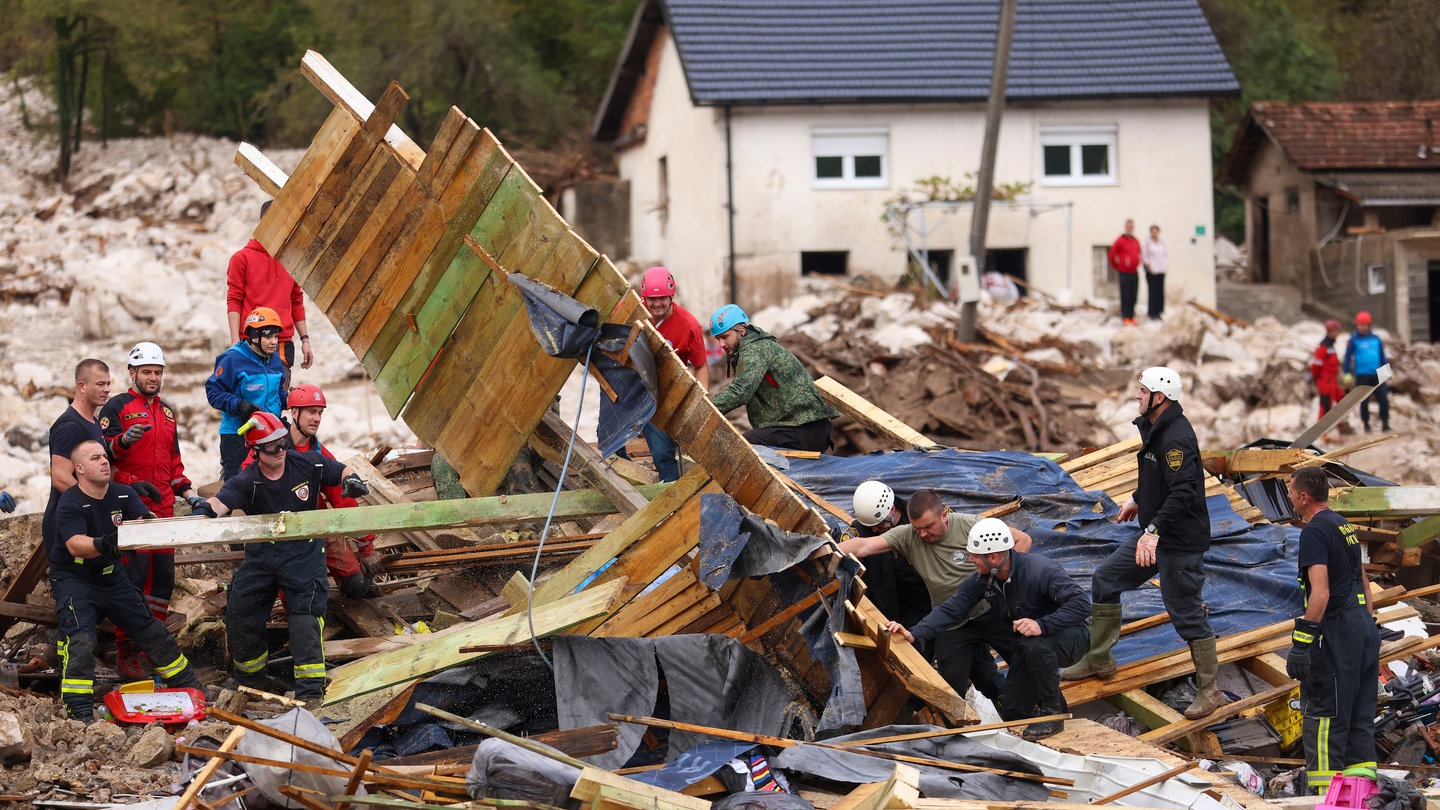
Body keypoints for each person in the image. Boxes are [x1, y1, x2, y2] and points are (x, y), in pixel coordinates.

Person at [1062, 366, 1227, 719]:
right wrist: (1138, 498)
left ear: (1159, 397)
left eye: (1141, 391)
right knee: (1105, 579)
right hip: (1156, 533)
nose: (1136, 396)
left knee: (1185, 612)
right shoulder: (1156, 427)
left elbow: (1184, 491)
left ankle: (1210, 691)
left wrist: (1152, 531)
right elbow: (1159, 478)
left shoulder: (1176, 438)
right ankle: (1099, 658)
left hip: (1178, 541)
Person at [192, 412, 369, 704]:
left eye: (283, 442)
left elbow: (341, 470)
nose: (281, 450)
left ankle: (310, 695)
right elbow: (219, 503)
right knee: (241, 613)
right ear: (257, 450)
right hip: (262, 556)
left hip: (304, 555)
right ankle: (250, 682)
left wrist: (352, 480)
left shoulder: (307, 463)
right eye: (273, 447)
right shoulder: (249, 480)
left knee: (305, 620)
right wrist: (201, 512)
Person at [888, 518, 1090, 740]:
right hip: (1032, 644)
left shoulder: (1040, 570)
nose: (970, 559)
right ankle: (1052, 707)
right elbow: (951, 609)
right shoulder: (984, 579)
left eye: (975, 555)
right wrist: (914, 633)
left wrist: (1042, 624)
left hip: (1072, 638)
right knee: (1013, 710)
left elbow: (1082, 604)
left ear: (993, 557)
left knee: (1034, 644)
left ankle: (1054, 714)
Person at [52, 440, 202, 721]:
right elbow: (75, 545)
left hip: (112, 577)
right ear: (80, 469)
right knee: (82, 640)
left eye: (104, 456)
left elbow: (144, 523)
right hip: (76, 579)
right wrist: (106, 542)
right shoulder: (70, 502)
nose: (104, 461)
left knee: (151, 630)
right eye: (95, 458)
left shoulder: (123, 495)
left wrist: (147, 521)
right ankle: (79, 709)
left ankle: (189, 686)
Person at [838, 489, 1033, 704]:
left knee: (1025, 660)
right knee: (950, 686)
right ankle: (953, 731)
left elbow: (1022, 539)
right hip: (951, 621)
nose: (922, 534)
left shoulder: (971, 526)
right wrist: (824, 550)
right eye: (917, 528)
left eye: (928, 527)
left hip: (990, 610)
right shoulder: (908, 535)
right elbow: (863, 545)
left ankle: (1045, 710)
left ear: (943, 515)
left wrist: (1001, 581)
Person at [99, 342, 205, 678]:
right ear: (132, 373)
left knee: (161, 581)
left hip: (163, 508)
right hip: (130, 508)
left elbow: (174, 463)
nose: (153, 378)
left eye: (158, 372)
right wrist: (124, 446)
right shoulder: (115, 408)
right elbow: (102, 458)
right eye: (147, 372)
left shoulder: (167, 412)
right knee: (132, 581)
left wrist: (189, 493)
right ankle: (127, 653)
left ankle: (154, 647)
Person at [1284, 466, 1379, 794]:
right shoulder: (1343, 525)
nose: (1288, 496)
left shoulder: (1313, 532)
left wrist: (1301, 643)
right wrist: (1364, 622)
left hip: (1337, 634)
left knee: (1326, 718)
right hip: (1363, 631)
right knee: (1358, 721)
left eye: (1290, 490)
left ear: (1304, 496)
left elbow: (1320, 592)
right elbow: (1363, 580)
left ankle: (1326, 798)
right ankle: (1361, 797)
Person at [242, 384, 384, 599]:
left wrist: (366, 547)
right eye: (311, 411)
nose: (316, 418)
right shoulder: (269, 447)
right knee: (292, 593)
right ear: (294, 413)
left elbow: (343, 500)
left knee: (357, 586)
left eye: (320, 412)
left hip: (316, 527)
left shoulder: (320, 454)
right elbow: (246, 483)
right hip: (279, 534)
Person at [708, 304, 838, 452]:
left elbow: (740, 392)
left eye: (725, 337)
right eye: (718, 339)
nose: (721, 344)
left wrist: (705, 409)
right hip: (797, 428)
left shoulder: (755, 350)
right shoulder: (752, 347)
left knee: (746, 445)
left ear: (742, 331)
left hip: (807, 428)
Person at [227, 200, 312, 383]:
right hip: (250, 342)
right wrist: (235, 341)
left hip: (282, 342)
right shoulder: (241, 259)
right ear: (264, 224)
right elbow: (234, 299)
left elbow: (296, 300)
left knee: (277, 398)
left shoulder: (291, 260)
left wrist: (305, 340)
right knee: (251, 397)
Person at [638, 267, 710, 481]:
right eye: (651, 298)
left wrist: (700, 400)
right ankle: (622, 479)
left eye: (661, 298)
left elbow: (701, 365)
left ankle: (669, 490)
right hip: (634, 383)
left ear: (671, 296)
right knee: (610, 436)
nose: (656, 303)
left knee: (662, 451)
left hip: (665, 391)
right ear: (644, 298)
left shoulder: (689, 325)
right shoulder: (634, 313)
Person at [207, 306, 289, 480]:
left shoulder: (275, 359)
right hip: (238, 435)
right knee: (236, 485)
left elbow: (277, 393)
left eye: (276, 336)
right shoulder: (232, 359)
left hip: (271, 432)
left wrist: (291, 399)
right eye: (268, 336)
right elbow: (213, 392)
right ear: (253, 336)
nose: (274, 341)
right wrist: (240, 405)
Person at [44, 359, 111, 564]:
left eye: (108, 384)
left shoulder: (93, 422)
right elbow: (60, 477)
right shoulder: (70, 426)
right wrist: (96, 505)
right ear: (81, 386)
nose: (107, 389)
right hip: (69, 522)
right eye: (100, 384)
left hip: (84, 519)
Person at [847, 481, 929, 629]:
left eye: (878, 524)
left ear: (891, 510)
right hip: (886, 608)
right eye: (870, 527)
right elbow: (846, 546)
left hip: (922, 601)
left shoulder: (918, 518)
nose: (874, 530)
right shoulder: (862, 528)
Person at [1342, 311, 1388, 433]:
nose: (1361, 327)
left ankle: (1385, 423)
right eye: (1359, 325)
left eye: (1364, 325)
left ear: (1369, 325)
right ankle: (1366, 425)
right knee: (1364, 401)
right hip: (1362, 374)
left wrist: (1388, 369)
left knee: (1383, 398)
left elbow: (1382, 356)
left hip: (1378, 373)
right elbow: (1347, 357)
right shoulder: (1353, 340)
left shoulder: (1376, 338)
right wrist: (1347, 372)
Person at [1310, 320, 1347, 422]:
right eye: (1336, 331)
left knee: (1342, 400)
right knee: (1325, 405)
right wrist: (1316, 378)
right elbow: (1316, 365)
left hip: (1332, 380)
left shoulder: (1331, 346)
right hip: (1325, 380)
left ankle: (1340, 424)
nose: (1338, 333)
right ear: (1330, 332)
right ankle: (1323, 431)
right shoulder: (1323, 347)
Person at [1109, 219, 1142, 325]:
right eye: (1128, 226)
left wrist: (1137, 262)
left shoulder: (1135, 240)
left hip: (1134, 272)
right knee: (1125, 295)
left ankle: (1132, 316)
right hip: (1124, 272)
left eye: (1131, 226)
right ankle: (1125, 316)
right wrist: (1118, 266)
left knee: (1133, 295)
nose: (1130, 228)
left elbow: (1139, 253)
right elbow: (1111, 255)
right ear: (1125, 227)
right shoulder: (1120, 240)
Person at [1141, 224, 1168, 320]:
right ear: (1150, 232)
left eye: (1156, 231)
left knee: (1160, 292)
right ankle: (1152, 312)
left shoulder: (1162, 243)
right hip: (1151, 271)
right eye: (1153, 231)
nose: (1154, 233)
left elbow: (1165, 255)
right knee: (1152, 292)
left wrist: (1164, 266)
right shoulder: (1147, 243)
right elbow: (1144, 255)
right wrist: (1147, 264)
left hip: (1160, 271)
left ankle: (1159, 311)